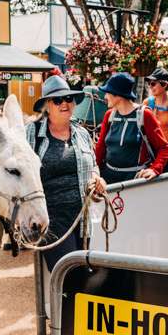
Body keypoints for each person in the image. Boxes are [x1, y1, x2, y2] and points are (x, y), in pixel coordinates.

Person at [26, 75, 107, 274]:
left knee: (87, 275)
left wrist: (98, 177)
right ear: (47, 105)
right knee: (69, 276)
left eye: (68, 99)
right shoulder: (32, 133)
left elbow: (94, 165)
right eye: (57, 100)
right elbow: (11, 158)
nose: (65, 103)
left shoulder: (82, 133)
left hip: (84, 219)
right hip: (52, 219)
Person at [94, 72, 168, 184]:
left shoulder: (145, 115)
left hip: (135, 181)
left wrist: (155, 169)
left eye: (107, 93)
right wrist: (95, 172)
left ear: (117, 95)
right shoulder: (109, 115)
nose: (105, 97)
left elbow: (164, 148)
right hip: (108, 178)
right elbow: (100, 148)